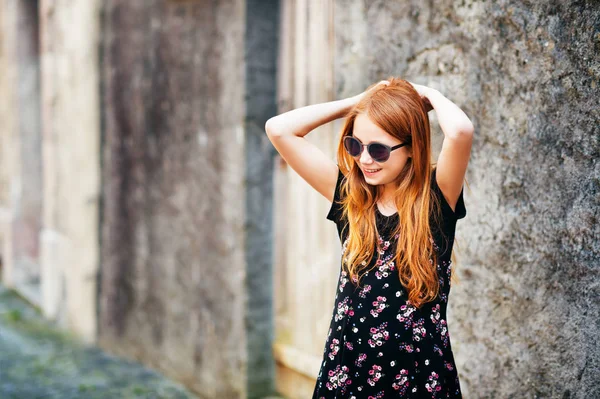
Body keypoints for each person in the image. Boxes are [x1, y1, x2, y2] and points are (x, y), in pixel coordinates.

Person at [265, 77, 473, 398]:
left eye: (378, 149)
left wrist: (427, 96)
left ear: (411, 149)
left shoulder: (436, 200)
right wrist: (360, 101)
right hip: (347, 375)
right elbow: (279, 129)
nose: (364, 159)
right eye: (355, 145)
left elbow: (460, 132)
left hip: (417, 379)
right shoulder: (351, 199)